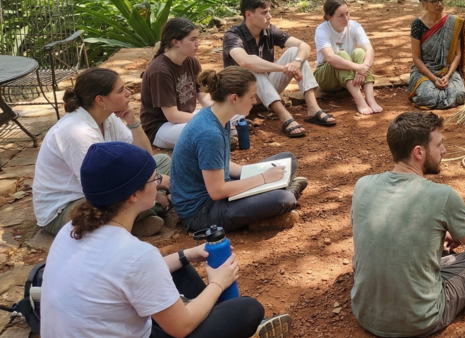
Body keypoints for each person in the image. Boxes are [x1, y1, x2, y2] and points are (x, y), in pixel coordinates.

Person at [42, 141, 293, 338]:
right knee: (247, 310)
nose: (160, 183)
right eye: (154, 178)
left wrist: (187, 255)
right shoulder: (135, 255)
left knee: (178, 267)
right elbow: (180, 328)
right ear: (133, 195)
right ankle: (218, 315)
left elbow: (126, 275)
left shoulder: (71, 229)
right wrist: (218, 283)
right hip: (164, 329)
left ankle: (204, 310)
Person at [351, 112, 465, 337]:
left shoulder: (362, 185)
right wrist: (457, 233)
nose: (444, 151)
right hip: (422, 319)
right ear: (419, 152)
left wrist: (434, 235)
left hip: (365, 313)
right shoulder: (443, 195)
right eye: (439, 145)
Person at [33, 67, 172, 237]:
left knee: (162, 161)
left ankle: (141, 211)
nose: (128, 93)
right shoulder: (76, 132)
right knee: (129, 195)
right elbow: (101, 186)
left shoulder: (109, 118)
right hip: (67, 207)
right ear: (100, 100)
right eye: (121, 90)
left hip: (105, 186)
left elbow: (143, 157)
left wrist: (132, 121)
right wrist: (154, 184)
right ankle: (142, 213)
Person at [170, 67, 308, 233]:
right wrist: (262, 178)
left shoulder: (218, 117)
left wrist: (250, 172)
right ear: (234, 98)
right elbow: (217, 191)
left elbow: (220, 164)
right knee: (283, 198)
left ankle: (272, 198)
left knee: (288, 159)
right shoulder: (210, 134)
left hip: (217, 193)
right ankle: (280, 199)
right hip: (201, 213)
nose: (255, 101)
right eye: (251, 97)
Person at [223, 0, 336, 138]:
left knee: (296, 52)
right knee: (253, 67)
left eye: (269, 11)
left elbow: (304, 46)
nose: (269, 16)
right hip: (241, 95)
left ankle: (313, 109)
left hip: (264, 92)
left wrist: (296, 63)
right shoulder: (233, 35)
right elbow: (245, 61)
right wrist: (284, 68)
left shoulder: (269, 30)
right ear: (249, 15)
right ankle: (285, 117)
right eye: (264, 13)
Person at [141, 17, 213, 149]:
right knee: (208, 131)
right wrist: (211, 119)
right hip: (162, 128)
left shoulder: (191, 61)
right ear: (175, 42)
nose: (198, 43)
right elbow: (172, 115)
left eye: (197, 38)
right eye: (192, 39)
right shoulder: (160, 71)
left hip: (185, 118)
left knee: (233, 109)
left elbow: (201, 94)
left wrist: (217, 111)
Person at [314, 0, 383, 115]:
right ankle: (360, 101)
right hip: (326, 78)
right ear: (330, 17)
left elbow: (369, 49)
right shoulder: (322, 30)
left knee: (360, 52)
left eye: (347, 13)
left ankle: (370, 100)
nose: (346, 18)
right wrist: (357, 68)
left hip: (349, 75)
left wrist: (363, 68)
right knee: (340, 54)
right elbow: (330, 58)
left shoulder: (354, 26)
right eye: (341, 15)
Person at [408, 0, 465, 109]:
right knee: (427, 96)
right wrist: (434, 79)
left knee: (458, 94)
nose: (440, 4)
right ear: (424, 3)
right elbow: (416, 58)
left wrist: (448, 75)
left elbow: (457, 54)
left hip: (447, 71)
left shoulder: (453, 22)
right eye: (434, 1)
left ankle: (445, 92)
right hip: (425, 72)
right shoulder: (417, 24)